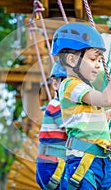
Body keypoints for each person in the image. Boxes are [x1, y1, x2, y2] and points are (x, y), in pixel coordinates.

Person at [51, 23, 111, 189]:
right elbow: (106, 99)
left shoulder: (84, 89)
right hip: (83, 162)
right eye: (93, 59)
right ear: (72, 59)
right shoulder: (70, 85)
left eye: (98, 60)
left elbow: (86, 121)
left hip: (102, 161)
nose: (98, 65)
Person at [36, 60, 68, 189]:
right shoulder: (56, 106)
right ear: (55, 84)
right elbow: (72, 128)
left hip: (58, 163)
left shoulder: (66, 107)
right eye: (67, 84)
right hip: (50, 166)